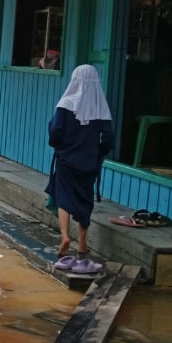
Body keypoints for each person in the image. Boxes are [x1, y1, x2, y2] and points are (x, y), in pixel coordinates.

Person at [47, 65, 114, 275]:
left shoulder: (66, 105)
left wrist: (59, 146)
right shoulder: (100, 107)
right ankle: (82, 244)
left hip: (67, 159)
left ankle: (65, 235)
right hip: (90, 163)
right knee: (85, 199)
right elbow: (109, 138)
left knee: (64, 196)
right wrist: (98, 152)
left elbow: (56, 132)